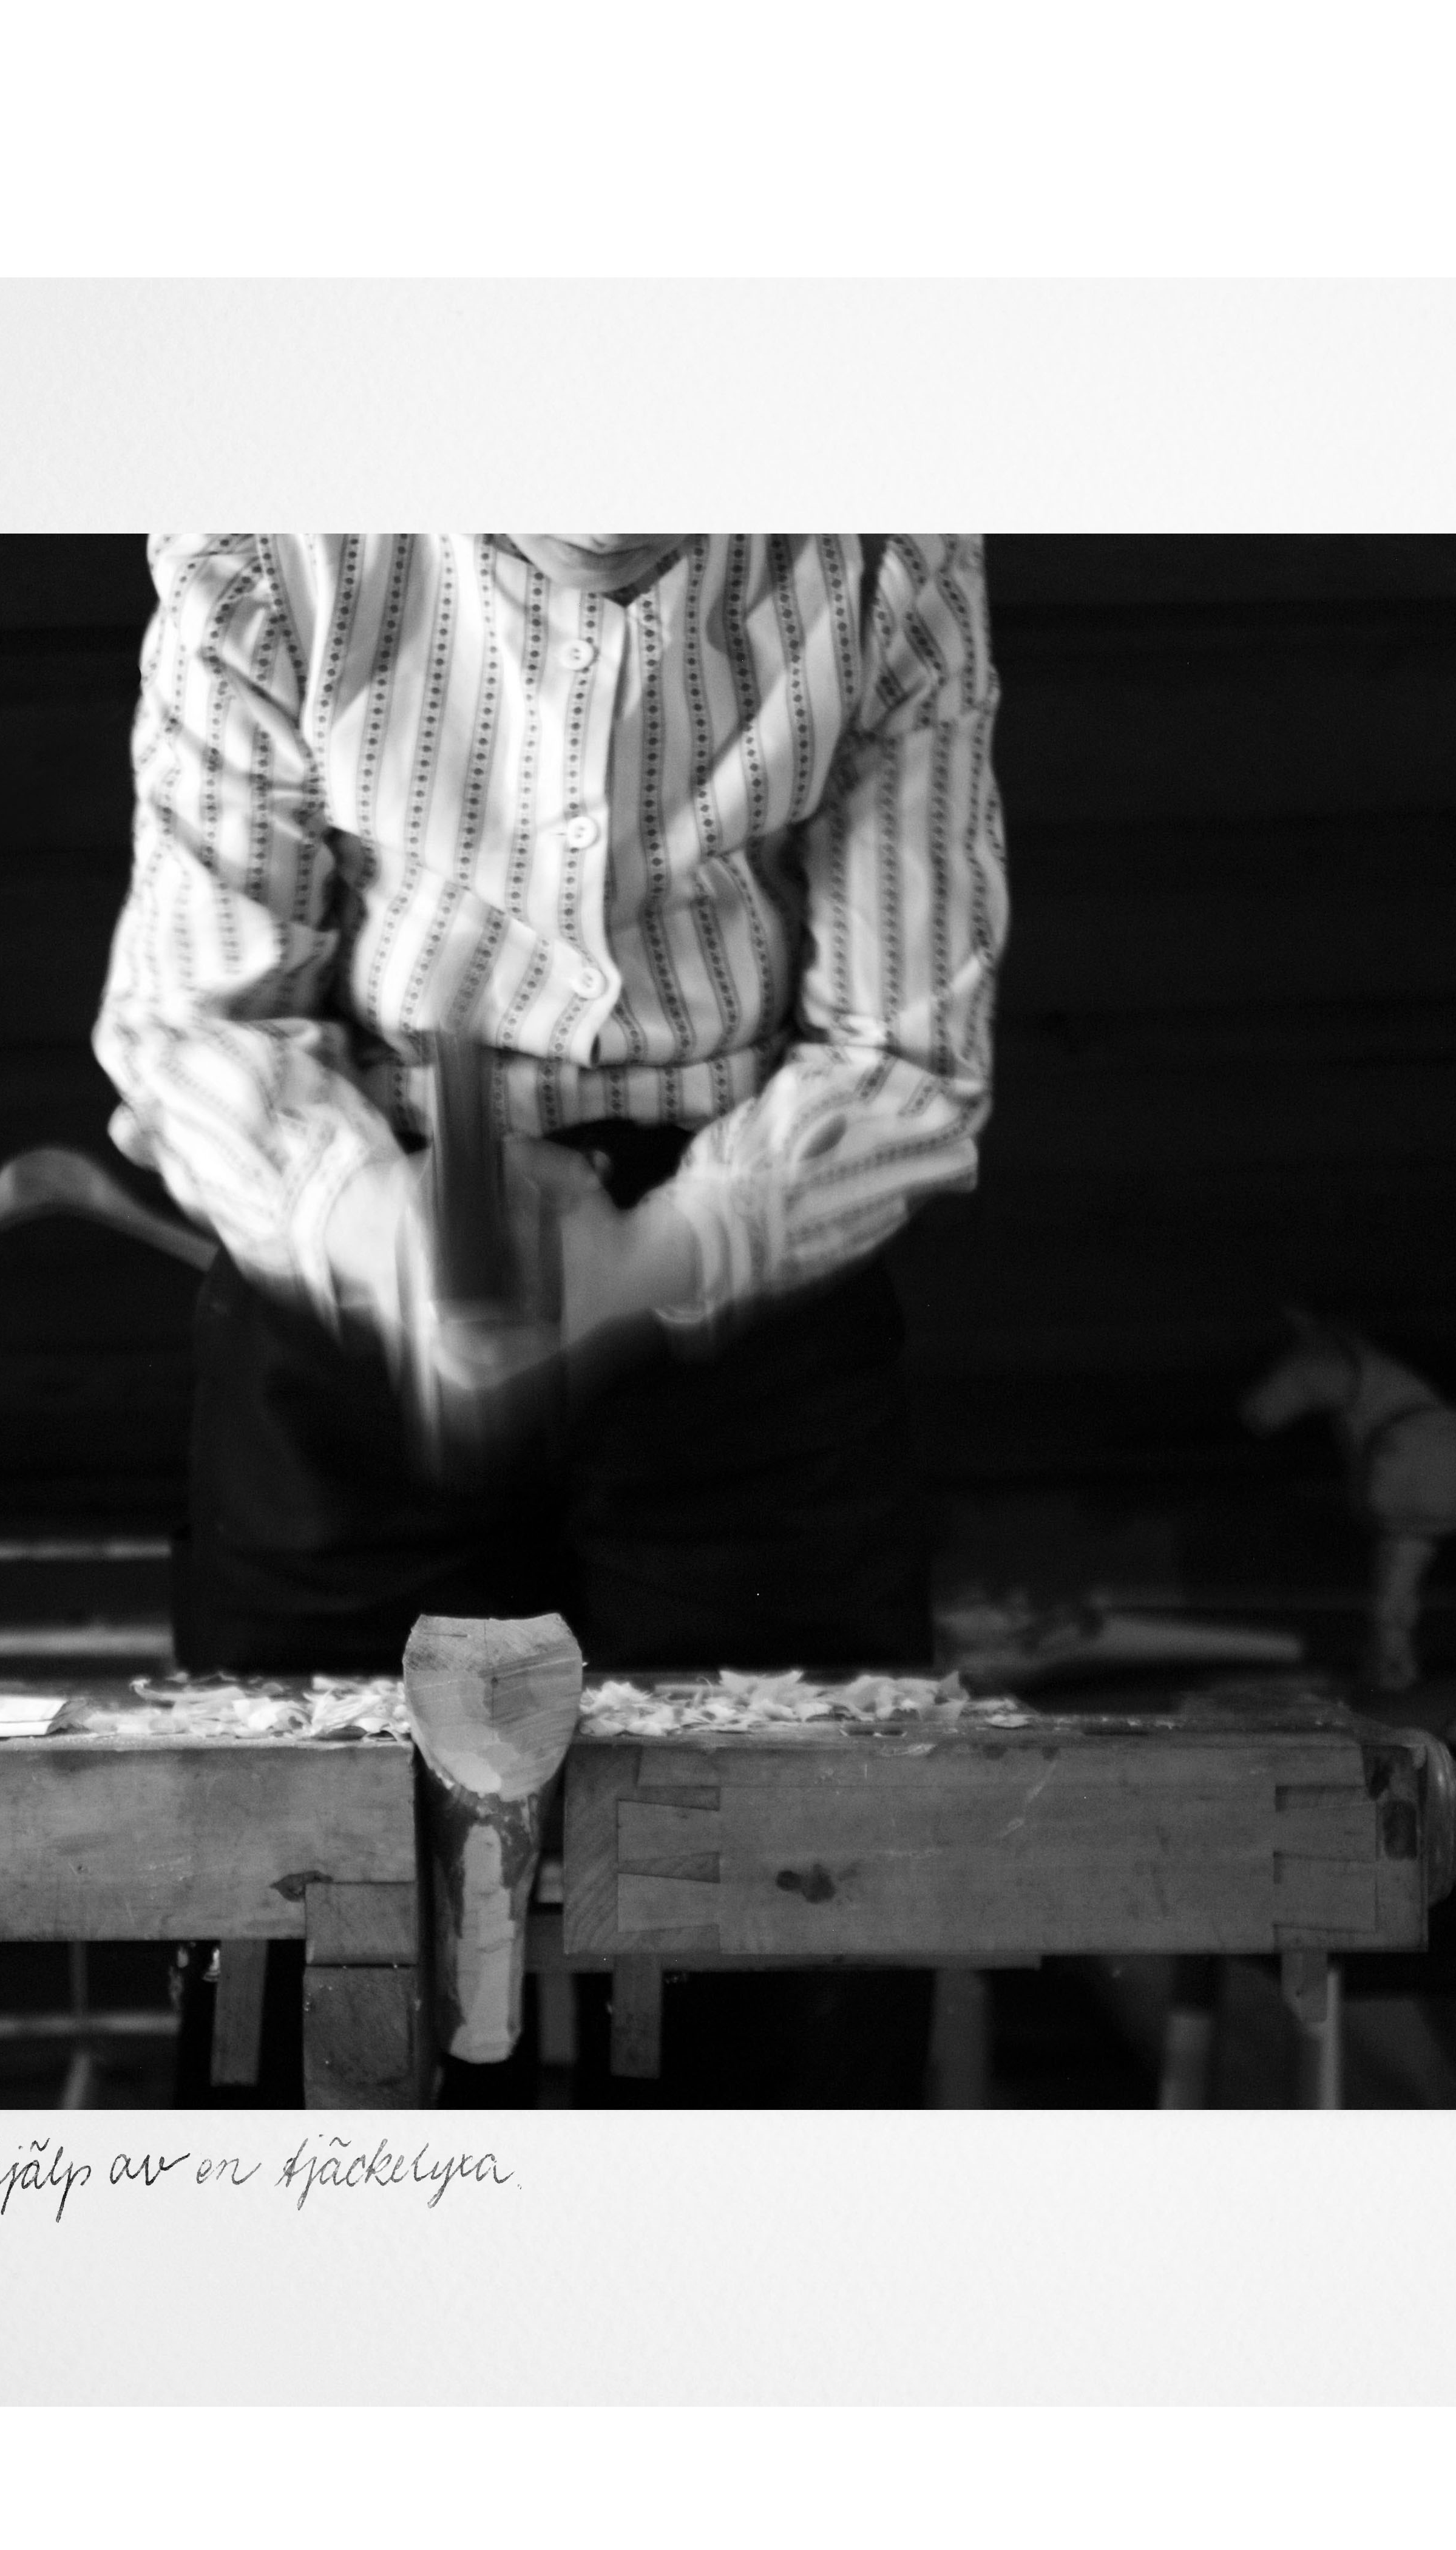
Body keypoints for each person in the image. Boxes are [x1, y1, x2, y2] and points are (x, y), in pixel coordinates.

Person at [93, 534, 1008, 2103]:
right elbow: (194, 1019)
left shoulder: (884, 549)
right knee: (306, 1941)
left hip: (749, 1274)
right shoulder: (270, 540)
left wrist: (642, 1263)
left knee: (797, 1930)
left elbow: (906, 1056)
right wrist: (388, 1245)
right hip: (354, 1250)